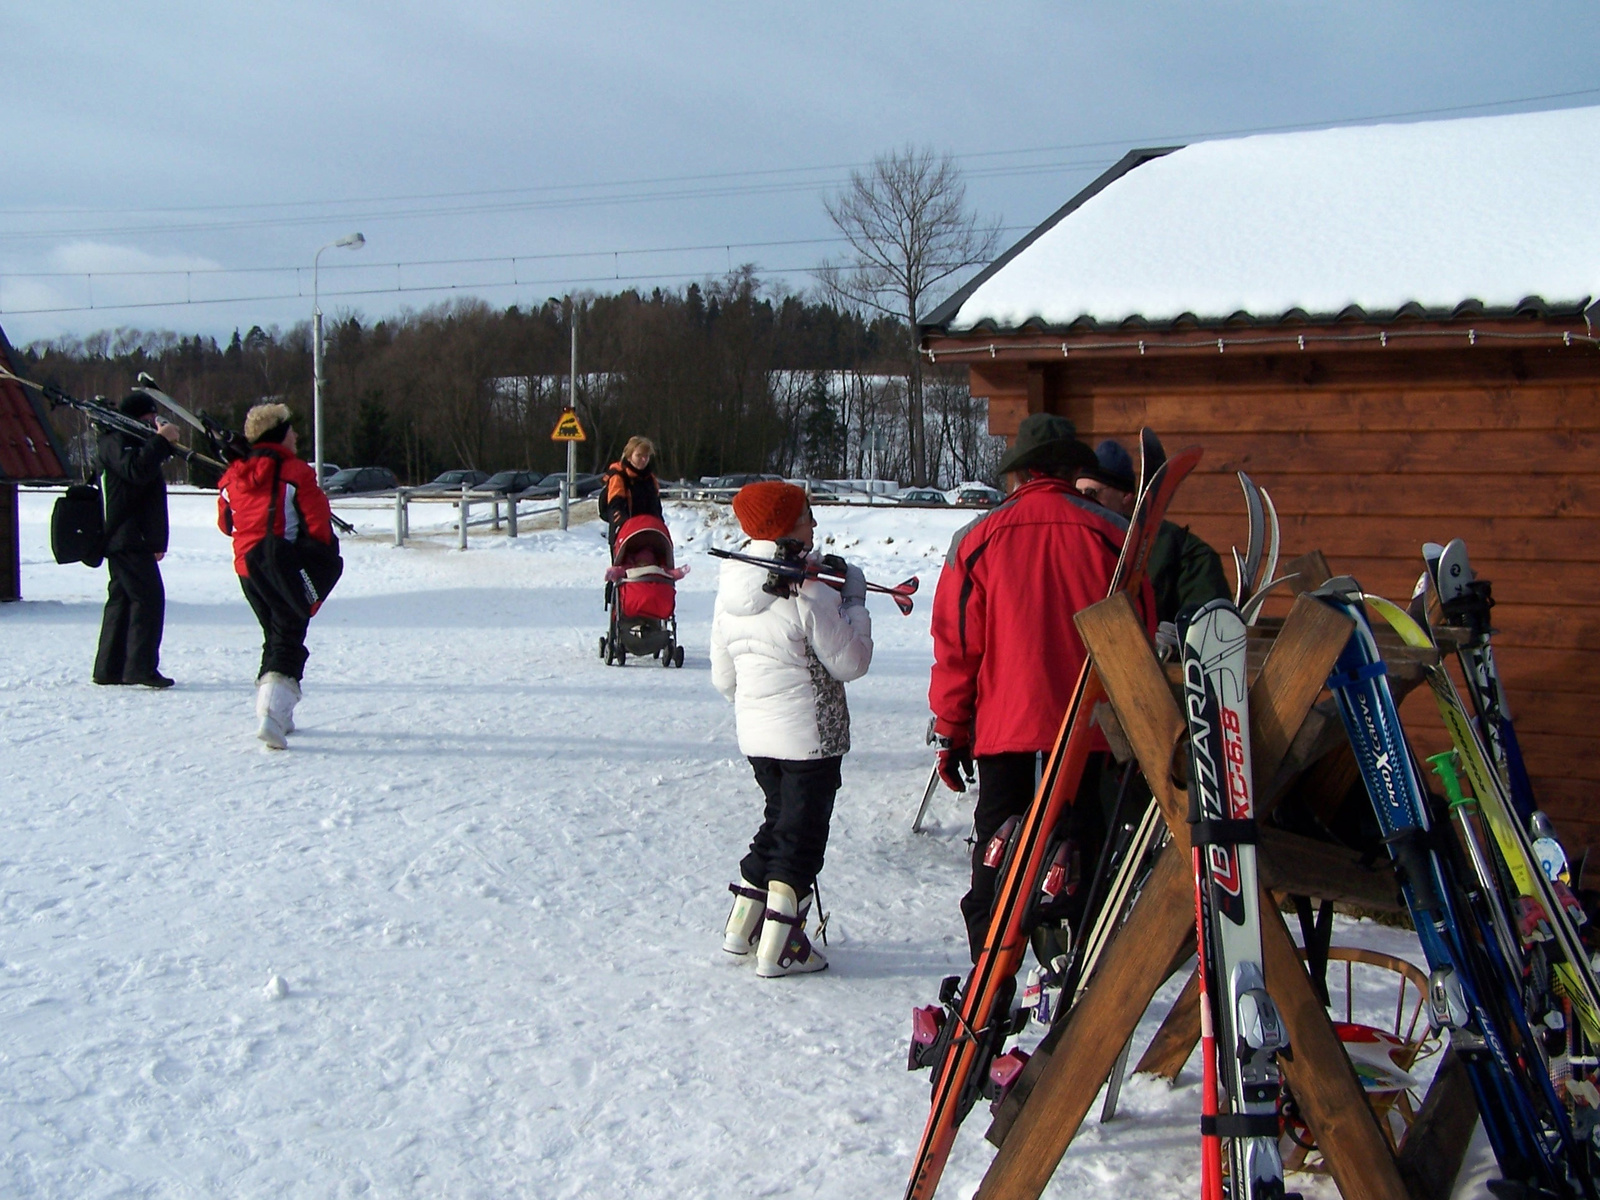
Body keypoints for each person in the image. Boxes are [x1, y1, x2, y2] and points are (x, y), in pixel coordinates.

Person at [929, 414, 1152, 963]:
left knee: (997, 855)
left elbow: (958, 648)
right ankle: (1069, 969)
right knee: (1077, 855)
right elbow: (1139, 637)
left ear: (1020, 473)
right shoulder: (1115, 538)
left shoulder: (976, 539)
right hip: (1090, 731)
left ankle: (989, 974)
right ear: (1073, 469)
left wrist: (952, 731)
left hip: (1005, 730)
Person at [712, 481, 873, 978]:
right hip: (811, 737)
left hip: (757, 737)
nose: (815, 525)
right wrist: (854, 602)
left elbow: (723, 678)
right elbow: (852, 661)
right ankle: (781, 948)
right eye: (807, 516)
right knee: (801, 840)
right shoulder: (807, 587)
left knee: (780, 823)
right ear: (786, 526)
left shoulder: (731, 587)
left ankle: (743, 925)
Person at [216, 403, 336, 749]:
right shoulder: (296, 472)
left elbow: (226, 524)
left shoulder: (231, 475)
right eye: (291, 429)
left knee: (275, 633)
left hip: (246, 569)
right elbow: (318, 526)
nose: (296, 435)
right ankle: (270, 713)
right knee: (288, 634)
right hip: (283, 565)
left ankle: (280, 713)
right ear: (279, 434)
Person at [1075, 438, 1230, 624]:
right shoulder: (1074, 543)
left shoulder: (1181, 549)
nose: (1083, 502)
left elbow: (1209, 625)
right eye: (1077, 494)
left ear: (1125, 496)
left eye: (1092, 493)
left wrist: (1175, 637)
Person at [93, 393, 182, 687]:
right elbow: (136, 470)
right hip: (128, 537)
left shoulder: (126, 440)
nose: (151, 424)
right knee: (148, 599)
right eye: (148, 419)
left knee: (122, 599)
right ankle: (139, 668)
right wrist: (159, 441)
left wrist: (162, 444)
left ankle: (110, 668)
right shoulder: (117, 440)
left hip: (130, 536)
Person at [599, 436, 662, 546]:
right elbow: (615, 507)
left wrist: (660, 528)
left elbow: (656, 508)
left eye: (646, 456)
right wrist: (628, 526)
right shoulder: (619, 477)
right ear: (629, 457)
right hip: (624, 535)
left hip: (650, 534)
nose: (643, 459)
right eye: (639, 455)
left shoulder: (651, 479)